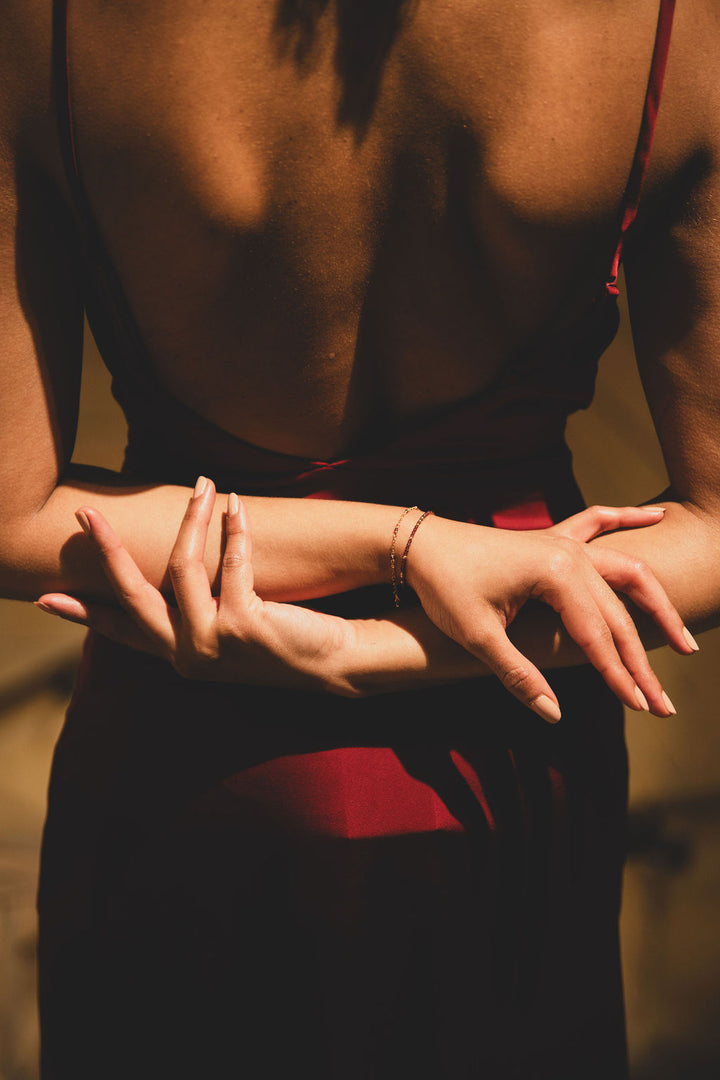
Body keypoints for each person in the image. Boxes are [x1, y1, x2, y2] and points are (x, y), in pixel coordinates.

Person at [1, 0, 718, 1075]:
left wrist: (389, 584)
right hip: (510, 736)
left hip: (186, 725)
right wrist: (416, 592)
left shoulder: (45, 23)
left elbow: (11, 516)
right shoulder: (677, 24)